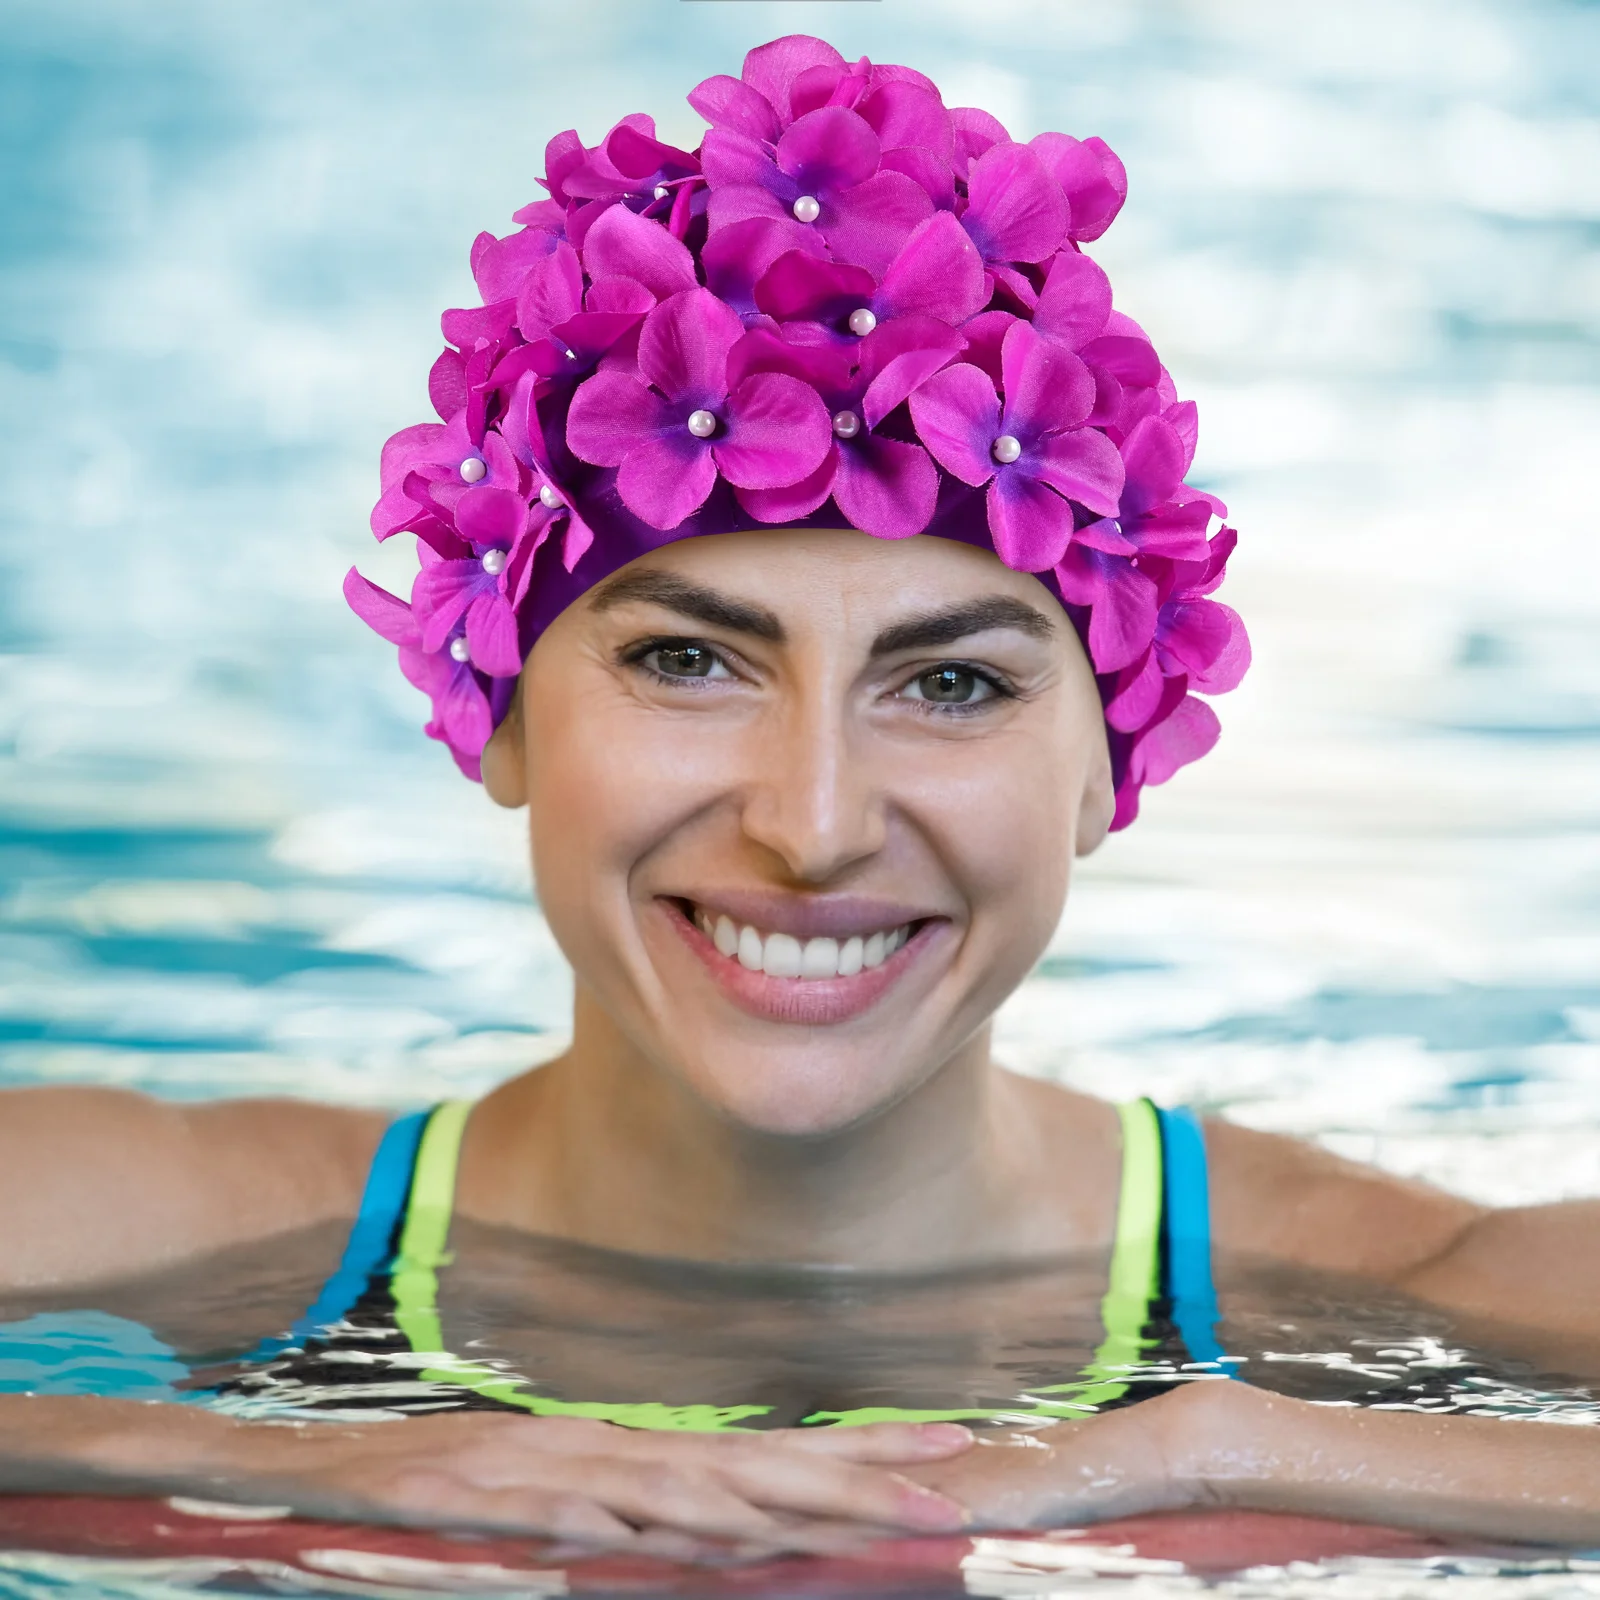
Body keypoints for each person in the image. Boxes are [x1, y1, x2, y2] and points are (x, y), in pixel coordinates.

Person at [2, 33, 1598, 1559]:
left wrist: (1217, 1445)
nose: (814, 822)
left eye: (952, 684)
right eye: (690, 662)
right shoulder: (183, 1221)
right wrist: (239, 1454)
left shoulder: (1394, 1289)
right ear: (496, 716)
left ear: (1110, 765)